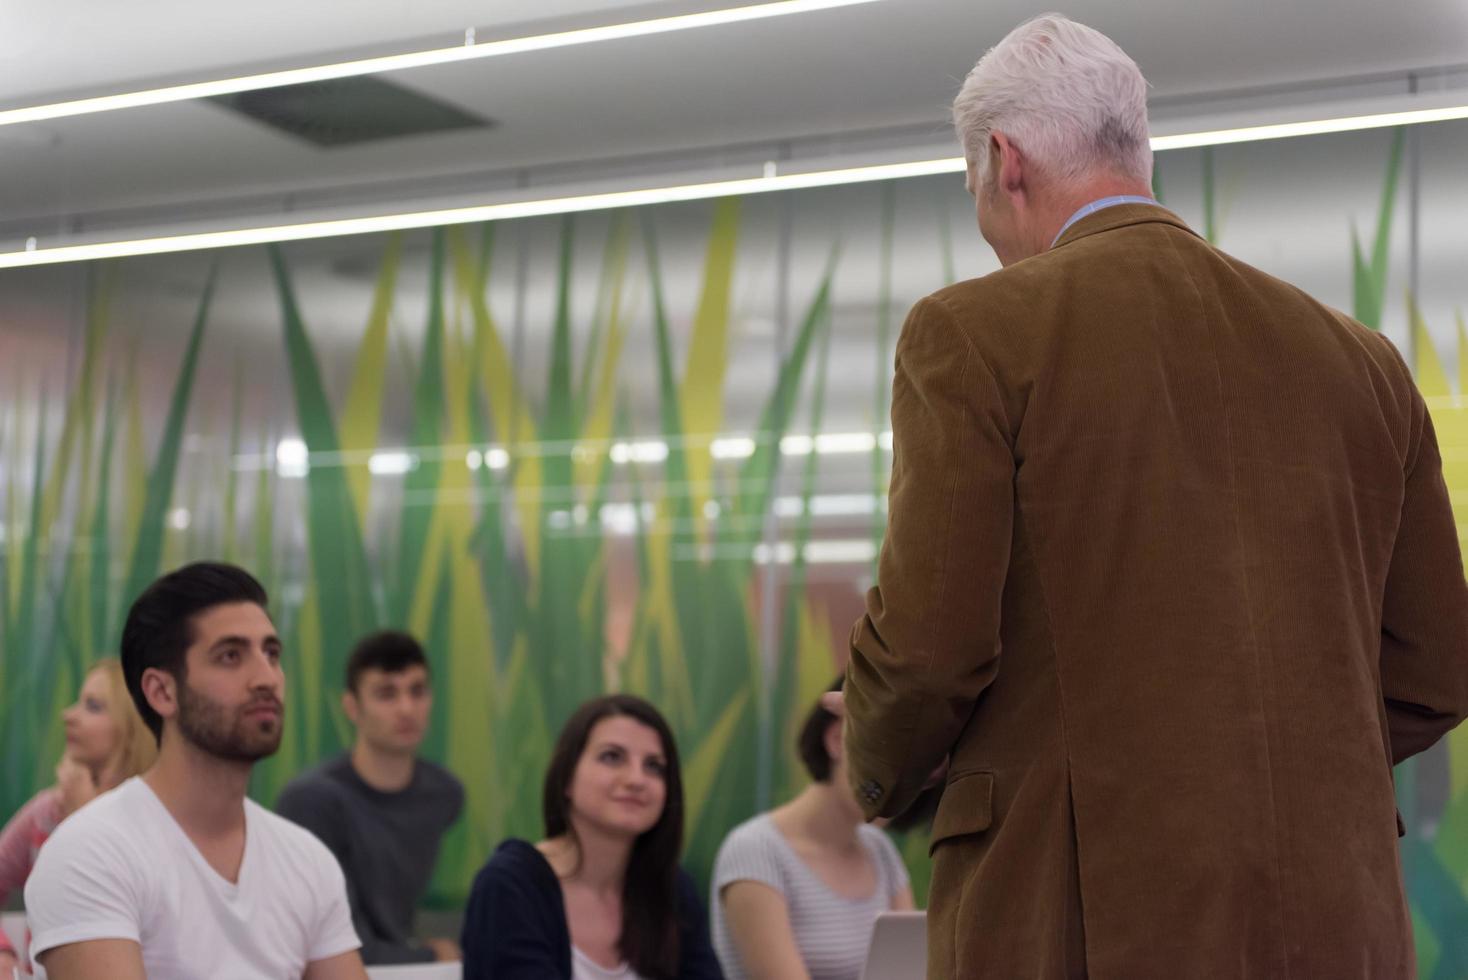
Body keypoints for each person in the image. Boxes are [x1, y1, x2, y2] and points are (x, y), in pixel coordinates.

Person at [832, 13, 1468, 979]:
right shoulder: (1362, 362)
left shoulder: (974, 332)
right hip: (1338, 917)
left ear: (1004, 160)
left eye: (972, 187)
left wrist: (872, 770)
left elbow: (929, 651)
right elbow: (1436, 668)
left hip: (1076, 911)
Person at [24, 562, 368, 980]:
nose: (266, 678)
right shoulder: (92, 852)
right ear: (162, 692)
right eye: (231, 656)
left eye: (271, 653)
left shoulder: (307, 861)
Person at [460, 693, 722, 979]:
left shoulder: (671, 890)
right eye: (612, 757)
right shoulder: (511, 885)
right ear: (566, 778)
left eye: (653, 766)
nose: (636, 779)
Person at [277, 630, 464, 965]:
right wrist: (433, 955)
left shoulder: (445, 795)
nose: (407, 708)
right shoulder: (311, 802)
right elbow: (336, 945)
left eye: (417, 691)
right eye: (386, 694)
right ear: (352, 706)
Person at [711, 684, 912, 979]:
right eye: (893, 761)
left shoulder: (880, 850)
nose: (903, 786)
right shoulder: (754, 851)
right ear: (835, 740)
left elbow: (911, 966)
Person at [0, 659, 156, 974]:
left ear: (131, 727)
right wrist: (3, 954)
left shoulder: (156, 817)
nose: (68, 715)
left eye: (93, 706)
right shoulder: (47, 811)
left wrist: (83, 815)